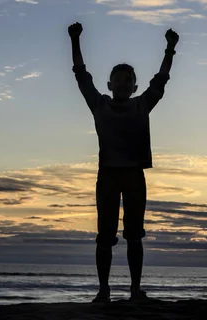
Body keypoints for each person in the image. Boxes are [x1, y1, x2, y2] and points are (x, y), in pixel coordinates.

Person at [67, 21, 179, 303]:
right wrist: (75, 39)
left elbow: (160, 81)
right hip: (107, 175)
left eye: (128, 80)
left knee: (134, 235)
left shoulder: (142, 104)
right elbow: (81, 76)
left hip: (133, 175)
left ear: (134, 86)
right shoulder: (99, 104)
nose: (123, 83)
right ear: (110, 84)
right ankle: (103, 290)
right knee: (104, 236)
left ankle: (134, 290)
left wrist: (169, 49)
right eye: (118, 79)